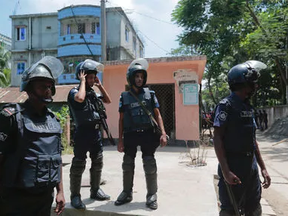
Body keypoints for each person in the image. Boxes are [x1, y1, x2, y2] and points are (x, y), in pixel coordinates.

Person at [0, 56, 65, 215]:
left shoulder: (53, 121)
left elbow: (57, 159)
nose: (47, 90)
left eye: (50, 86)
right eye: (42, 86)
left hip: (43, 199)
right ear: (29, 89)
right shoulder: (11, 117)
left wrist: (60, 191)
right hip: (15, 199)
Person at [213, 61, 271, 216]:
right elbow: (217, 138)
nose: (256, 86)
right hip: (233, 167)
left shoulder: (247, 107)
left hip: (250, 169)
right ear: (243, 82)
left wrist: (263, 168)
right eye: (253, 82)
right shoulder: (226, 106)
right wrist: (225, 171)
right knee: (230, 210)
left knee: (254, 208)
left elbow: (253, 140)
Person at [114, 60, 168, 210]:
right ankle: (126, 192)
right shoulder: (124, 96)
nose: (139, 79)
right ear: (131, 78)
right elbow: (121, 119)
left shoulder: (150, 94)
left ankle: (152, 195)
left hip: (148, 134)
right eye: (136, 76)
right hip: (130, 134)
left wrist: (163, 133)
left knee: (149, 163)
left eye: (141, 76)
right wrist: (120, 140)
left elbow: (158, 115)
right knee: (127, 164)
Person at [68, 59, 111, 209]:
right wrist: (82, 82)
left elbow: (108, 100)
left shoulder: (93, 93)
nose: (92, 80)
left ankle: (95, 190)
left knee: (98, 161)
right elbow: (80, 98)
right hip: (82, 133)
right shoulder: (75, 91)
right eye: (89, 77)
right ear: (82, 76)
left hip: (95, 133)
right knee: (79, 164)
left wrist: (100, 85)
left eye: (94, 77)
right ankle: (75, 196)